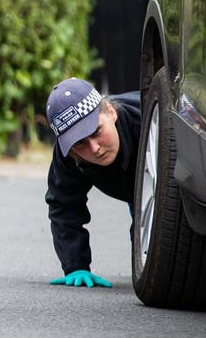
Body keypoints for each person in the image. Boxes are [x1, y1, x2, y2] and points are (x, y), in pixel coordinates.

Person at [44, 77, 140, 289]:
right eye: (80, 143)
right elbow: (63, 205)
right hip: (132, 186)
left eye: (96, 131)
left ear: (111, 112)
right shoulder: (69, 155)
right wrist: (75, 265)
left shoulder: (149, 123)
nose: (94, 148)